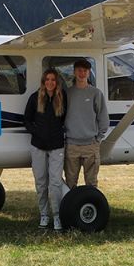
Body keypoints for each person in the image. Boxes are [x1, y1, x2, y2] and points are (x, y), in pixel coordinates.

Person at [24, 68, 67, 231]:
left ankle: (57, 216)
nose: (50, 82)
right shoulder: (35, 98)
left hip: (57, 146)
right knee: (41, 182)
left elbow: (63, 118)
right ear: (43, 82)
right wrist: (37, 132)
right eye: (47, 79)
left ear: (57, 83)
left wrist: (56, 132)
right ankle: (44, 215)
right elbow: (27, 120)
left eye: (53, 80)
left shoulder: (62, 98)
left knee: (55, 183)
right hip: (38, 146)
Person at [64, 58, 107, 189]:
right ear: (74, 72)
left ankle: (91, 205)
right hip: (72, 145)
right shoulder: (67, 93)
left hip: (90, 145)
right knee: (70, 182)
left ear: (89, 73)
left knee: (92, 182)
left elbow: (103, 117)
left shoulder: (95, 93)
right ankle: (70, 208)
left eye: (85, 71)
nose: (82, 73)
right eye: (79, 70)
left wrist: (98, 138)